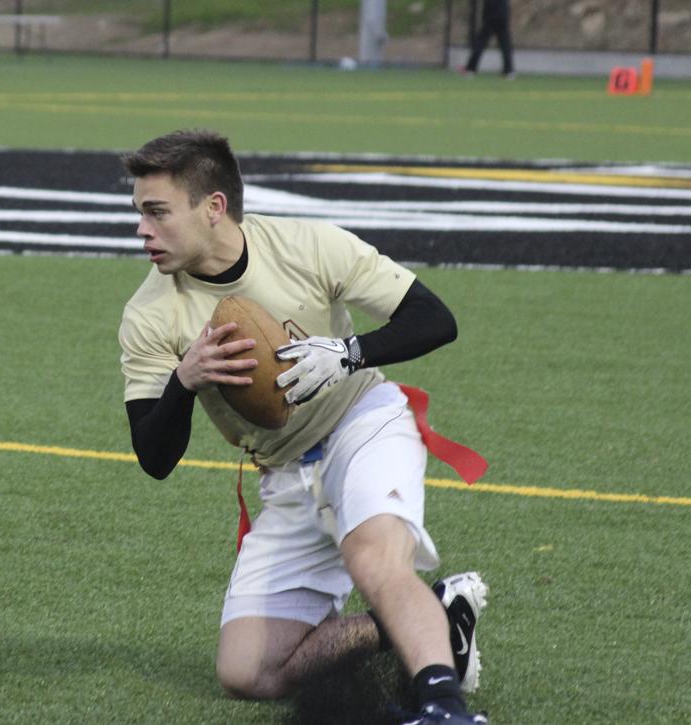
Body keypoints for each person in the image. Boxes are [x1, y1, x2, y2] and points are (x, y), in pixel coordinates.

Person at [118, 129, 489, 725]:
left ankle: (445, 707)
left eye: (157, 212)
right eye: (139, 213)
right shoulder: (149, 314)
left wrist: (347, 353)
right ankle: (435, 615)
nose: (142, 230)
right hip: (285, 472)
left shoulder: (306, 244)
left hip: (363, 423)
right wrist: (183, 382)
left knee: (374, 560)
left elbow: (434, 319)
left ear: (213, 207)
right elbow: (153, 457)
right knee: (248, 673)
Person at [463, 0, 515, 78]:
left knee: (480, 42)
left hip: (491, 14)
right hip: (503, 14)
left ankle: (471, 69)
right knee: (505, 44)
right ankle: (509, 71)